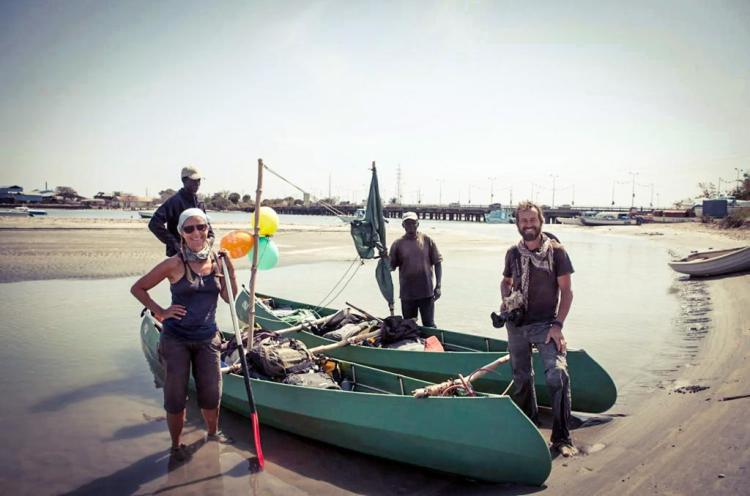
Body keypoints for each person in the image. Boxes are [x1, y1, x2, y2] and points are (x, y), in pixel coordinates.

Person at [132, 208, 237, 459]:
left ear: (208, 229)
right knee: (175, 397)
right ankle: (176, 446)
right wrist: (160, 312)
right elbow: (138, 288)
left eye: (201, 227)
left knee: (212, 394)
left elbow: (227, 298)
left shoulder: (217, 261)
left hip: (207, 339)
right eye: (189, 228)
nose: (196, 233)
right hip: (175, 339)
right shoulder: (174, 263)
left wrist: (230, 270)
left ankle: (212, 435)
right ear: (181, 233)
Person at [500, 201, 577, 457]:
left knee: (558, 374)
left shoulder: (556, 252)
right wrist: (507, 300)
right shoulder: (513, 252)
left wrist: (558, 325)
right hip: (517, 325)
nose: (528, 225)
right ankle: (529, 427)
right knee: (521, 377)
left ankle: (562, 438)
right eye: (524, 221)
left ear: (541, 222)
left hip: (546, 325)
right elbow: (506, 281)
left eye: (533, 220)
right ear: (517, 224)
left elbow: (566, 292)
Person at [389, 211, 442, 327]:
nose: (410, 226)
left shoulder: (427, 240)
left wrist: (438, 286)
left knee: (429, 324)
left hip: (426, 293)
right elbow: (390, 267)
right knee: (409, 325)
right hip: (407, 294)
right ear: (403, 225)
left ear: (418, 224)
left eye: (413, 223)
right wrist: (384, 258)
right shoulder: (397, 244)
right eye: (407, 223)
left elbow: (437, 263)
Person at [149, 166, 214, 257]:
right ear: (184, 181)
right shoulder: (174, 202)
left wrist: (209, 240)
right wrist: (175, 243)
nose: (197, 183)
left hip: (199, 254)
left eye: (199, 180)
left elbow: (208, 228)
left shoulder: (199, 203)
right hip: (178, 256)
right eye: (194, 180)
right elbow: (154, 224)